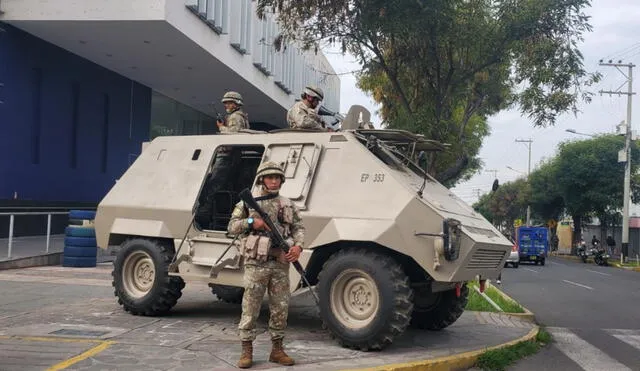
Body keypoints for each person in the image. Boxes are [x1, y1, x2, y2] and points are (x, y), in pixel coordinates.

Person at [228, 161, 305, 368]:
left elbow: (298, 227)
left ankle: (277, 350)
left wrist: (298, 247)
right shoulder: (249, 202)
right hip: (256, 263)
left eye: (277, 177)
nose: (274, 181)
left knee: (280, 307)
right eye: (270, 177)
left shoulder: (287, 203)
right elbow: (232, 226)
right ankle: (246, 351)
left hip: (280, 263)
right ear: (262, 179)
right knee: (250, 308)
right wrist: (252, 222)